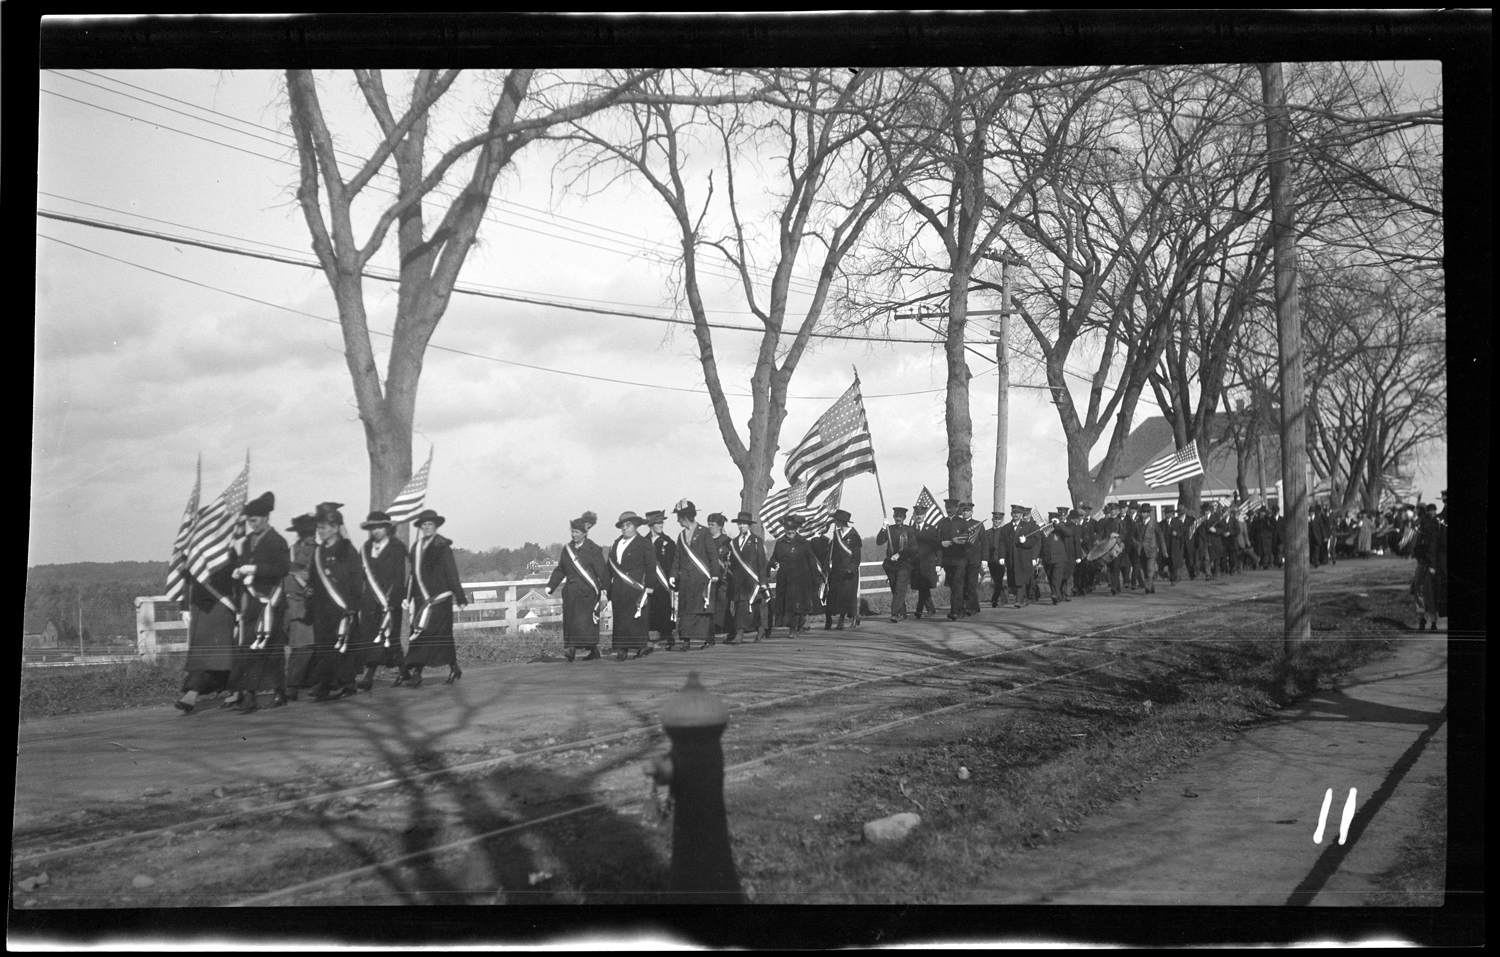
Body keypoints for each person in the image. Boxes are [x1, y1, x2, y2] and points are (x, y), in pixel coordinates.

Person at [225, 491, 291, 713]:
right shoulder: (246, 543)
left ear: (265, 518)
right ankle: (250, 695)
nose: (251, 525)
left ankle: (279, 691)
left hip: (271, 603)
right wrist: (239, 572)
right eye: (249, 521)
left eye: (254, 520)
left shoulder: (278, 541)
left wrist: (255, 569)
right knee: (249, 649)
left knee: (273, 651)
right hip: (251, 603)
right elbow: (243, 564)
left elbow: (282, 569)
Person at [302, 505, 364, 700]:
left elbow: (357, 578)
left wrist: (353, 605)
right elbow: (313, 577)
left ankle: (347, 683)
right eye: (319, 528)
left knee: (343, 645)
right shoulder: (318, 552)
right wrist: (309, 590)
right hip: (322, 608)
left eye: (324, 528)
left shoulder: (347, 548)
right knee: (324, 646)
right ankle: (326, 683)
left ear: (336, 528)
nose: (319, 532)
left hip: (342, 607)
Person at [403, 508, 468, 687]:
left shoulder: (442, 546)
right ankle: (417, 673)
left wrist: (460, 598)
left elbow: (451, 573)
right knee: (419, 636)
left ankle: (453, 666)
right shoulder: (416, 547)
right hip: (421, 601)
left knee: (440, 638)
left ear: (436, 526)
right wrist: (406, 596)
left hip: (439, 601)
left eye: (430, 524)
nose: (427, 528)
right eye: (424, 525)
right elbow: (412, 576)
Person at [174, 559, 239, 714]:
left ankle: (194, 693)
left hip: (224, 608)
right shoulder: (199, 551)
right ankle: (194, 693)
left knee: (219, 655)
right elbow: (188, 580)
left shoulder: (229, 551)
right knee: (206, 655)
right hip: (200, 610)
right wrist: (184, 608)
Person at [357, 510, 408, 690]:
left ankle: (402, 671)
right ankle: (369, 676)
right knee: (371, 639)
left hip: (389, 602)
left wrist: (392, 601)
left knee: (391, 639)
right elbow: (360, 576)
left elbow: (399, 576)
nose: (376, 531)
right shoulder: (364, 548)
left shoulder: (397, 548)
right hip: (370, 603)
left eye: (380, 527)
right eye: (373, 528)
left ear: (387, 528)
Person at [548, 512, 608, 662]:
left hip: (588, 593)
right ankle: (571, 649)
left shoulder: (594, 549)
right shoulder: (567, 549)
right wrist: (551, 586)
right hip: (571, 591)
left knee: (585, 624)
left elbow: (601, 571)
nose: (573, 535)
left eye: (576, 532)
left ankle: (593, 649)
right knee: (570, 622)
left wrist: (605, 589)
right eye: (572, 532)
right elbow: (561, 569)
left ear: (584, 533)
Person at [672, 499, 721, 651]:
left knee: (703, 611)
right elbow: (677, 558)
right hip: (686, 580)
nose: (678, 520)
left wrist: (714, 574)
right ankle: (685, 641)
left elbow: (712, 555)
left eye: (679, 517)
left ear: (686, 517)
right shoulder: (681, 536)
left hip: (702, 578)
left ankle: (708, 639)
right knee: (686, 611)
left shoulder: (704, 532)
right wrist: (673, 575)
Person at [605, 511, 655, 660]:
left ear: (636, 526)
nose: (625, 528)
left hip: (636, 587)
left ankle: (641, 646)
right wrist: (607, 588)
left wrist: (650, 585)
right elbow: (610, 567)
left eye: (628, 525)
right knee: (620, 619)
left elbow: (651, 566)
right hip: (619, 588)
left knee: (636, 619)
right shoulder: (616, 543)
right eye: (622, 526)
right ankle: (622, 647)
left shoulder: (644, 544)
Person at [281, 512, 318, 700]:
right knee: (302, 646)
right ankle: (291, 684)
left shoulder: (319, 551)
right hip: (294, 605)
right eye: (307, 532)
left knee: (309, 646)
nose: (312, 535)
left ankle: (302, 681)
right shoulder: (291, 552)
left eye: (313, 531)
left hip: (314, 605)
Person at [769, 514, 819, 637]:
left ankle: (793, 628)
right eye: (788, 529)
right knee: (788, 606)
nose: (790, 531)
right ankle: (798, 624)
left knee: (798, 605)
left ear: (796, 529)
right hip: (785, 579)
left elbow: (811, 560)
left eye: (793, 529)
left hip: (800, 579)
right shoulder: (780, 543)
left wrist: (815, 576)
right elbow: (773, 558)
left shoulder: (803, 543)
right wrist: (775, 564)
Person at [726, 511, 771, 642]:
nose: (741, 526)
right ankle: (759, 629)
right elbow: (734, 564)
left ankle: (740, 633)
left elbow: (761, 563)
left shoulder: (757, 541)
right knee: (743, 607)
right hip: (739, 581)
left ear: (749, 525)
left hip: (753, 581)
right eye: (739, 524)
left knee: (750, 608)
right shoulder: (733, 543)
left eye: (744, 524)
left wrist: (762, 582)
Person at [644, 511, 677, 651]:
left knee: (664, 610)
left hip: (664, 583)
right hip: (649, 582)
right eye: (658, 523)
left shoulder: (668, 542)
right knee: (649, 611)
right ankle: (650, 640)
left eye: (662, 522)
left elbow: (674, 562)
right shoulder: (643, 542)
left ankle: (668, 637)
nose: (661, 525)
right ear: (651, 525)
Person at [825, 508, 863, 630]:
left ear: (841, 521)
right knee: (835, 596)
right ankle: (833, 619)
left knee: (847, 596)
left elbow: (857, 557)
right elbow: (832, 551)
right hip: (836, 570)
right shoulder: (836, 534)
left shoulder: (854, 536)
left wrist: (851, 568)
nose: (835, 522)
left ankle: (843, 619)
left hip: (848, 572)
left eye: (836, 520)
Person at [876, 507, 915, 622]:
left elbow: (913, 548)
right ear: (893, 517)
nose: (898, 518)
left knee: (899, 588)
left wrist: (900, 555)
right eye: (896, 516)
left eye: (900, 516)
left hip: (904, 564)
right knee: (895, 589)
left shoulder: (909, 530)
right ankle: (902, 612)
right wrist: (883, 528)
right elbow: (879, 541)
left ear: (904, 518)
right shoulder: (890, 529)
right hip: (891, 564)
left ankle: (895, 613)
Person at [936, 498, 971, 620]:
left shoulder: (962, 523)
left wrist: (960, 542)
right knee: (953, 586)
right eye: (947, 507)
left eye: (951, 507)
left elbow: (968, 540)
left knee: (957, 584)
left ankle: (955, 611)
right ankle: (960, 609)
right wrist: (941, 543)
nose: (949, 509)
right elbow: (936, 542)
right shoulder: (941, 523)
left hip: (960, 559)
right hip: (947, 560)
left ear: (956, 509)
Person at [707, 513, 735, 642]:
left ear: (720, 526)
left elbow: (734, 560)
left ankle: (722, 628)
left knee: (722, 603)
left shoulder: (728, 542)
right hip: (709, 579)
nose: (709, 527)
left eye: (712, 525)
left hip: (724, 579)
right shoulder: (706, 541)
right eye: (709, 524)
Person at [1008, 504, 1041, 607]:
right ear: (1011, 514)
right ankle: (1024, 599)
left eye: (1018, 513)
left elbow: (1035, 541)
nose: (1016, 515)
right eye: (1014, 513)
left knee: (1022, 579)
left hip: (1024, 557)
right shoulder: (1006, 527)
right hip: (1012, 557)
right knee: (1014, 579)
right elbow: (1003, 543)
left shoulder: (1029, 526)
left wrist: (1025, 541)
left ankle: (1019, 600)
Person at [912, 507, 941, 618]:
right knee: (922, 587)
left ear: (925, 515)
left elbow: (938, 548)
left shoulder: (932, 529)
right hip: (915, 564)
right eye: (917, 514)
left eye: (921, 514)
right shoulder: (910, 530)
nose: (919, 516)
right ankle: (929, 609)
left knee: (924, 587)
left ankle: (920, 610)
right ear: (914, 515)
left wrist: (939, 563)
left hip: (928, 563)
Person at [1041, 514, 1071, 604]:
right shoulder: (1045, 530)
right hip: (1047, 558)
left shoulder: (1061, 529)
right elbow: (1040, 543)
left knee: (1056, 577)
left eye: (1055, 520)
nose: (1053, 522)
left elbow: (1069, 533)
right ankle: (1057, 595)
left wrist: (1059, 525)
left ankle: (1054, 594)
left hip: (1059, 558)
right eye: (1051, 520)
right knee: (1050, 578)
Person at [960, 503, 984, 615]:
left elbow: (984, 543)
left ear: (971, 511)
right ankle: (975, 606)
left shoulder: (977, 525)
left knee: (971, 584)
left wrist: (984, 559)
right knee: (964, 584)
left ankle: (969, 607)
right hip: (961, 559)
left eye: (967, 510)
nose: (965, 513)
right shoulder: (957, 524)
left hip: (974, 559)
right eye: (963, 511)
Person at [1134, 502, 1163, 594]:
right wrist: (1136, 543)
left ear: (1149, 513)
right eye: (1142, 512)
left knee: (1150, 569)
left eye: (1145, 512)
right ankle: (1151, 586)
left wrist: (1163, 549)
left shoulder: (1154, 523)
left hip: (1151, 550)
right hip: (1141, 550)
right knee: (1145, 570)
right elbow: (1133, 536)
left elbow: (1160, 536)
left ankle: (1147, 587)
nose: (1143, 514)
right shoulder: (1137, 524)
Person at [984, 510, 1011, 607]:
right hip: (992, 561)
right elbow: (985, 547)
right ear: (992, 520)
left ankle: (994, 599)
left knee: (998, 579)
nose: (997, 521)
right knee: (996, 580)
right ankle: (1003, 597)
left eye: (999, 519)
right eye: (995, 519)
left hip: (1001, 560)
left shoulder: (1004, 532)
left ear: (1001, 520)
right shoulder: (987, 532)